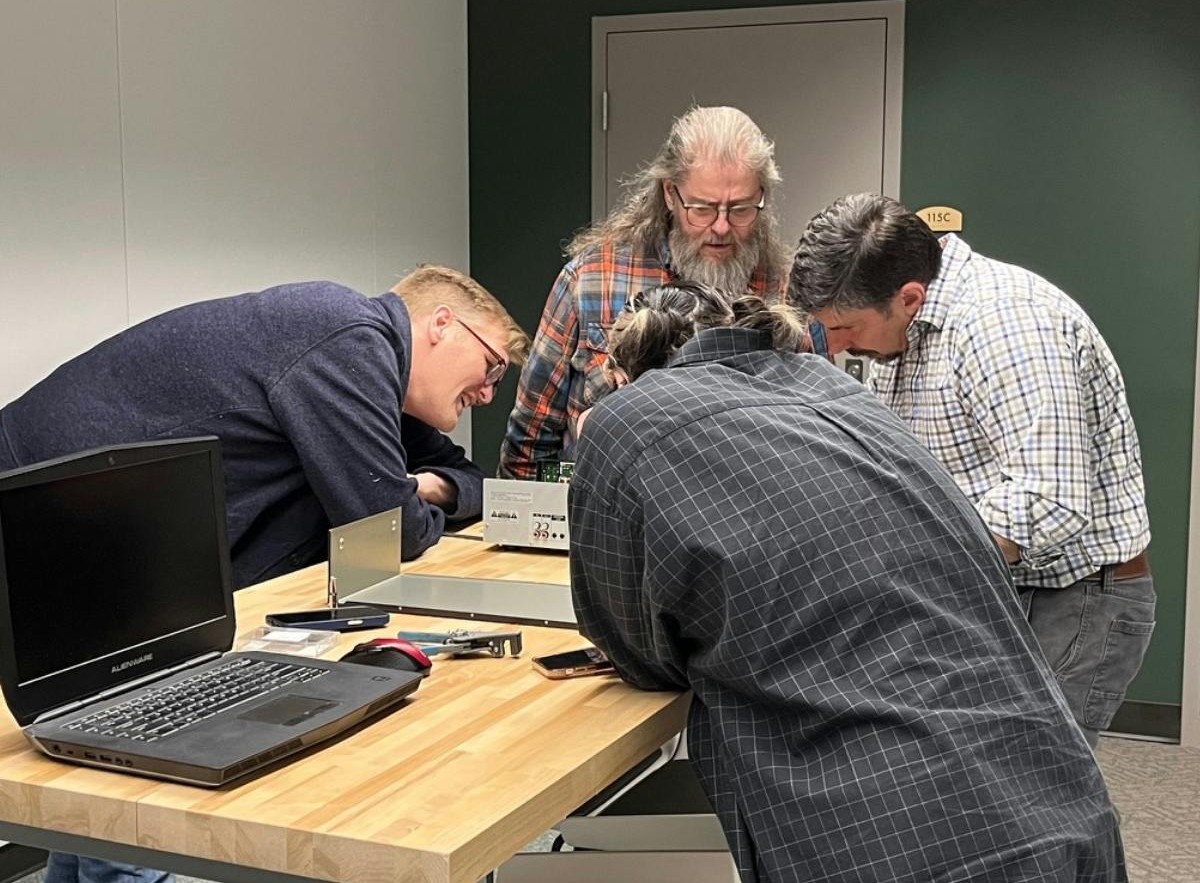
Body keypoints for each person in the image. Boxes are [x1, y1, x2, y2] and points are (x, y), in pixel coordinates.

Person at [569, 282, 1126, 883]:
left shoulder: (627, 419)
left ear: (629, 370)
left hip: (888, 835)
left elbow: (636, 649)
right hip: (1058, 798)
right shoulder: (836, 389)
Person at [791, 194, 1154, 745]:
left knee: (1032, 791)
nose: (837, 348)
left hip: (1074, 598)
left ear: (909, 297)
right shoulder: (903, 336)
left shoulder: (1005, 325)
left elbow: (1049, 496)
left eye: (844, 328)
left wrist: (921, 565)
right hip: (1001, 588)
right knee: (974, 795)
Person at [0, 265, 529, 587]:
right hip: (31, 498)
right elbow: (391, 531)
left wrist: (425, 485)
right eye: (492, 367)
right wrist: (405, 497)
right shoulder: (350, 338)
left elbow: (472, 481)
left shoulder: (373, 374)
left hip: (89, 525)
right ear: (441, 324)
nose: (486, 394)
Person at [499, 105, 792, 478]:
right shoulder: (592, 281)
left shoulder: (781, 291)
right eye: (702, 209)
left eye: (739, 209)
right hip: (605, 520)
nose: (721, 227)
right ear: (670, 193)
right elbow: (529, 440)